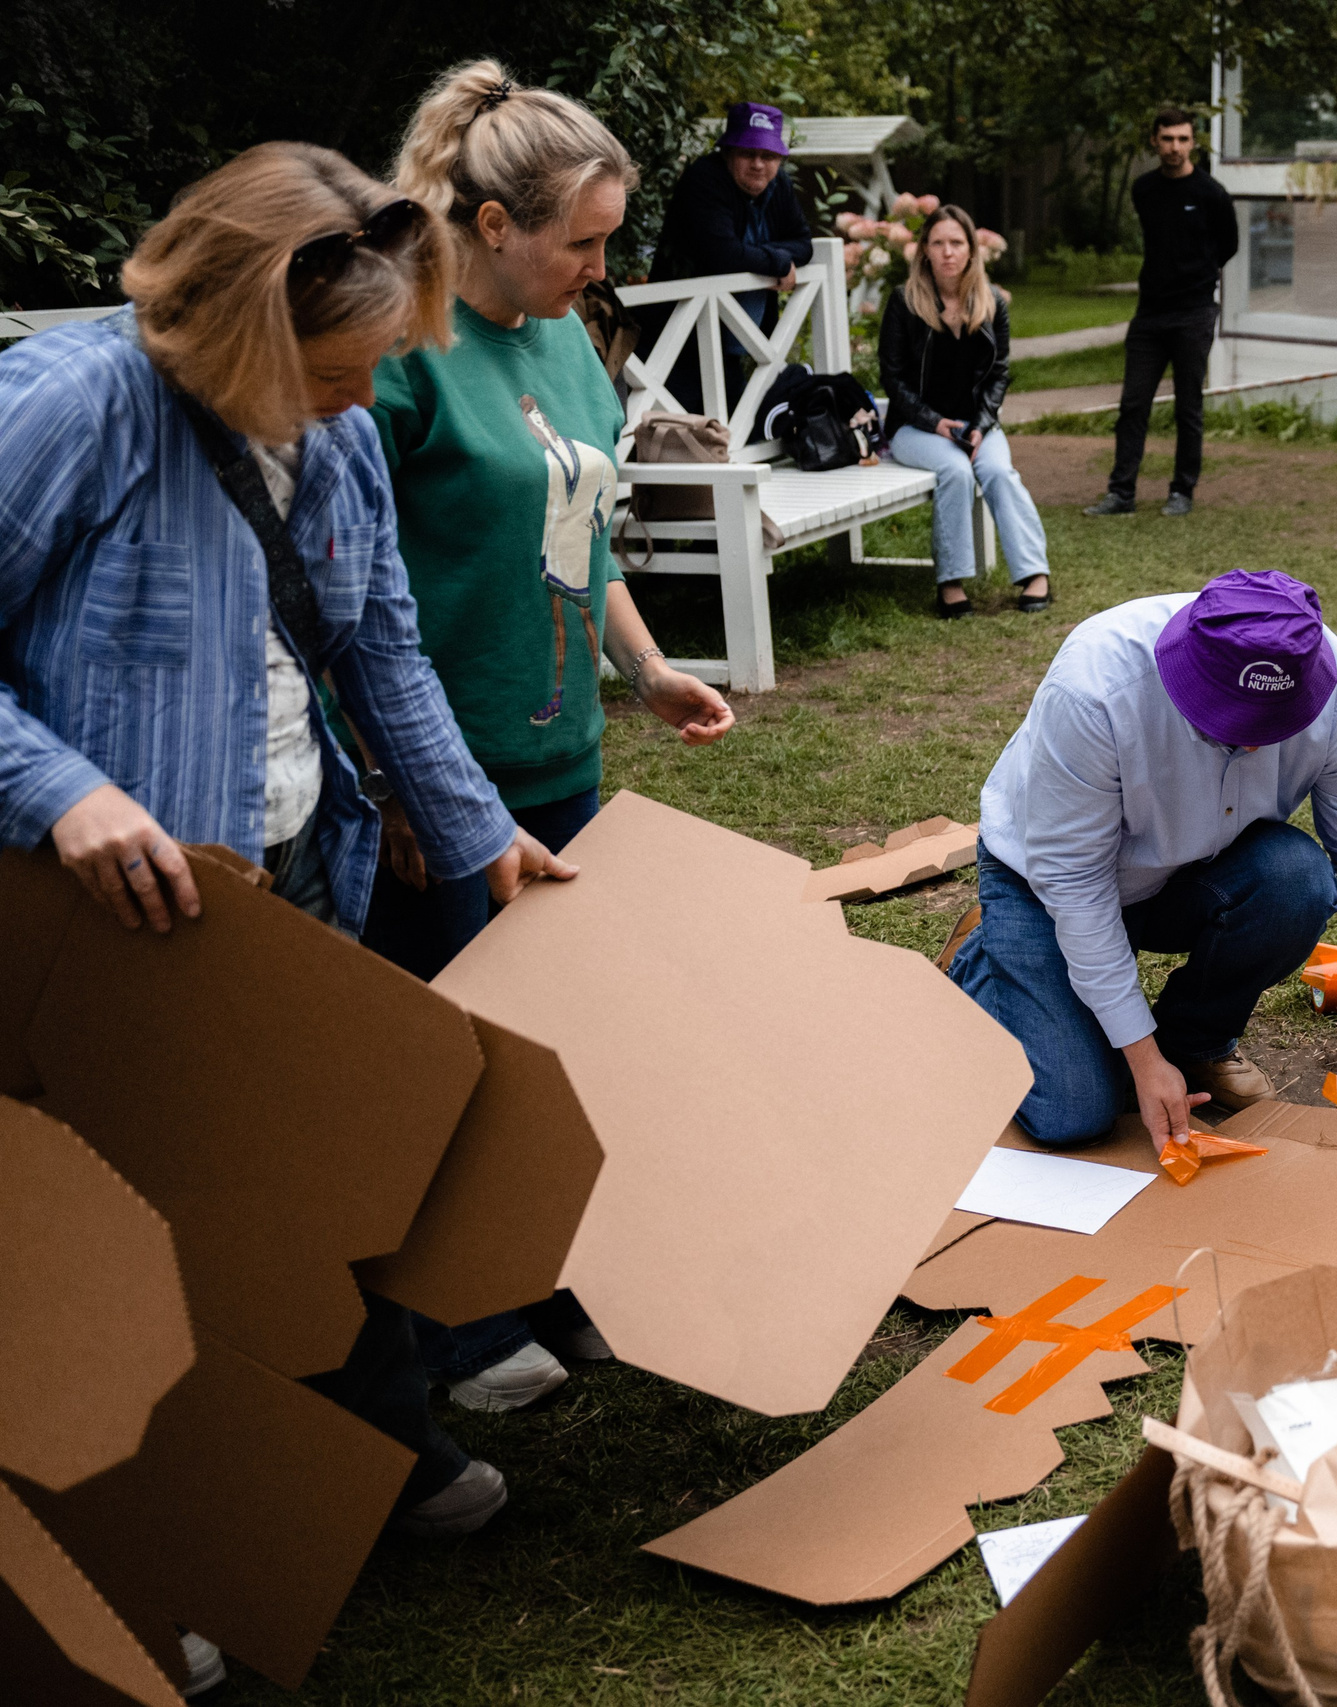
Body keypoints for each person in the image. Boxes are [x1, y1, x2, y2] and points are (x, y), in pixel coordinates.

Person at [0, 143, 573, 1605]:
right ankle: (123, 1553)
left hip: (289, 875)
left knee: (310, 1174)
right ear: (242, 329)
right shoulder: (74, 407)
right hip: (97, 924)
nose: (364, 397)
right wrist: (61, 790)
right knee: (122, 1230)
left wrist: (473, 827)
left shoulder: (346, 437)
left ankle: (370, 1447)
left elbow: (382, 651)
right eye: (336, 366)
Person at [367, 58, 736, 1409]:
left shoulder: (571, 342)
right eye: (579, 240)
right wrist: (393, 781)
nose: (598, 267)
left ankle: (561, 1276)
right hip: (444, 780)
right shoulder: (403, 354)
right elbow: (357, 593)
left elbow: (579, 529)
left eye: (606, 240)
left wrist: (644, 668)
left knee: (566, 1047)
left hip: (561, 757)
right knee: (457, 1064)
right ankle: (461, 1325)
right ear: (493, 224)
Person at [951, 570, 1337, 1147]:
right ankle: (984, 956)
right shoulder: (1094, 688)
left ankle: (1196, 1045)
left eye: (1272, 726)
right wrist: (1141, 1057)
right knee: (1073, 1115)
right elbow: (1077, 887)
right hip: (1050, 889)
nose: (1252, 745)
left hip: (1189, 874)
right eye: (1229, 725)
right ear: (1184, 673)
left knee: (1296, 879)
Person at [879, 203, 1052, 616]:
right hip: (915, 429)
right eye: (937, 243)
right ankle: (951, 583)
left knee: (997, 472)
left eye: (956, 243)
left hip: (976, 425)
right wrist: (934, 423)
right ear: (924, 250)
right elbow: (893, 379)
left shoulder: (992, 303)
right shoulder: (904, 302)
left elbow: (999, 374)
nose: (947, 252)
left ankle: (1034, 573)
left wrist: (980, 425)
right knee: (955, 472)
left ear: (972, 250)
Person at [1085, 108, 1237, 519]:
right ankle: (1121, 493)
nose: (1174, 147)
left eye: (1183, 139)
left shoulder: (1211, 194)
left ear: (1193, 142)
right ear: (1154, 141)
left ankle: (1181, 491)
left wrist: (1196, 279)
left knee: (1188, 406)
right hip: (1149, 315)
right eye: (1167, 139)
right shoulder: (1144, 189)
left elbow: (1229, 245)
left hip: (1194, 313)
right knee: (1133, 404)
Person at [645, 101, 814, 414]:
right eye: (748, 153)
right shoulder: (705, 179)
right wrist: (778, 262)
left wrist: (770, 256)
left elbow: (804, 244)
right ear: (728, 153)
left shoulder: (780, 185)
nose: (758, 164)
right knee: (675, 431)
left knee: (728, 434)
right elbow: (722, 254)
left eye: (768, 155)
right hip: (680, 332)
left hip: (735, 338)